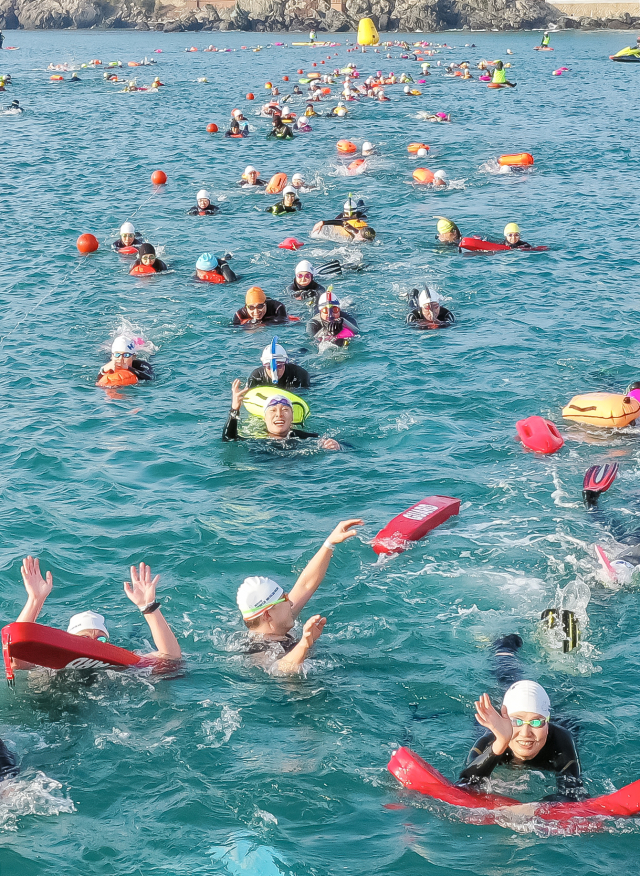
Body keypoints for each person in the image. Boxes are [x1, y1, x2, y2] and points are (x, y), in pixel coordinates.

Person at [235, 519, 363, 672]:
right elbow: (279, 669)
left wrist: (329, 543)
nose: (290, 603)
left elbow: (306, 584)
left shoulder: (277, 623)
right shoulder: (257, 650)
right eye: (284, 599)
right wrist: (304, 644)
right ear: (267, 614)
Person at [11, 555, 182, 669]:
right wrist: (35, 600)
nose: (94, 642)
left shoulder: (118, 665)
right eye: (84, 638)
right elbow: (17, 658)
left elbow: (170, 657)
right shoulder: (50, 665)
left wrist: (149, 607)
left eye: (101, 638)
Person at [458, 680, 584, 802]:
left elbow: (573, 795)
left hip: (564, 721)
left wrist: (532, 809)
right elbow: (465, 785)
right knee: (505, 677)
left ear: (547, 723)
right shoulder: (489, 742)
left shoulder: (561, 742)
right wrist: (501, 742)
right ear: (506, 720)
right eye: (516, 721)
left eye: (536, 722)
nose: (525, 733)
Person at [223, 384, 341, 450]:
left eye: (285, 410)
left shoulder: (306, 438)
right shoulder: (257, 440)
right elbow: (229, 439)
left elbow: (349, 447)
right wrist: (235, 409)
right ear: (264, 418)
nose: (279, 415)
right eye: (273, 410)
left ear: (292, 417)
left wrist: (337, 446)